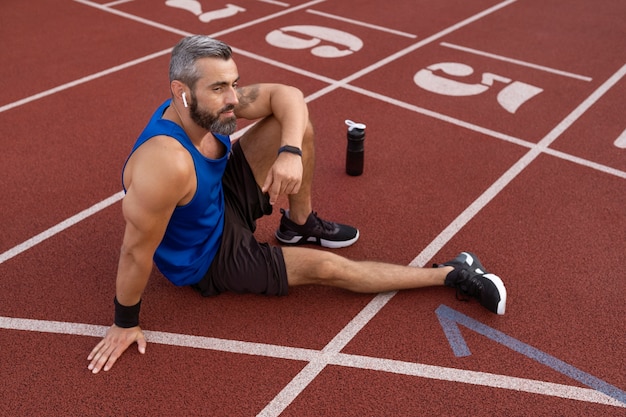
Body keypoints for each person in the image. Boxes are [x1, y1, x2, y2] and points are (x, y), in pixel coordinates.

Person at [87, 35, 507, 374]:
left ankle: (299, 224)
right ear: (181, 93)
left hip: (217, 197)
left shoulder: (209, 111)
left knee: (296, 125)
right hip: (209, 255)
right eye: (219, 88)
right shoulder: (166, 164)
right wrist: (125, 322)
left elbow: (287, 94)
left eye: (234, 83)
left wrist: (290, 152)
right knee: (327, 270)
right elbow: (135, 250)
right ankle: (453, 273)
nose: (233, 98)